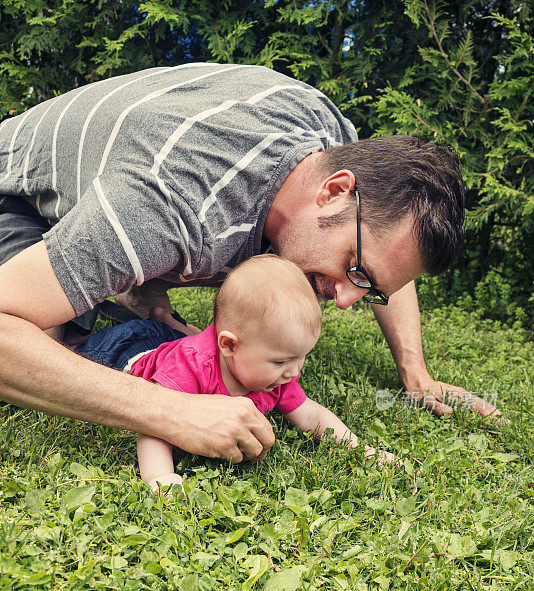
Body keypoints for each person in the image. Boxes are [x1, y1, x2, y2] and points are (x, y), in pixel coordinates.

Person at [0, 63, 501, 466]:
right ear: (334, 192)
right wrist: (173, 412)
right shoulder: (172, 205)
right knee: (44, 350)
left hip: (127, 182)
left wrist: (416, 374)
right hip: (15, 190)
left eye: (368, 288)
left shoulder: (328, 135)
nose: (347, 300)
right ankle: (113, 286)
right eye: (353, 268)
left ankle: (132, 283)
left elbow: (385, 253)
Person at [76, 256, 398, 490]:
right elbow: (155, 425)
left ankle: (167, 320)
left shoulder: (278, 377)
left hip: (187, 345)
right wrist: (160, 477)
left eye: (301, 357)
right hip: (132, 349)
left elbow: (311, 414)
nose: (294, 372)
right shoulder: (191, 368)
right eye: (281, 361)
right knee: (76, 348)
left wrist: (361, 448)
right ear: (229, 346)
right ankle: (149, 320)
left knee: (177, 336)